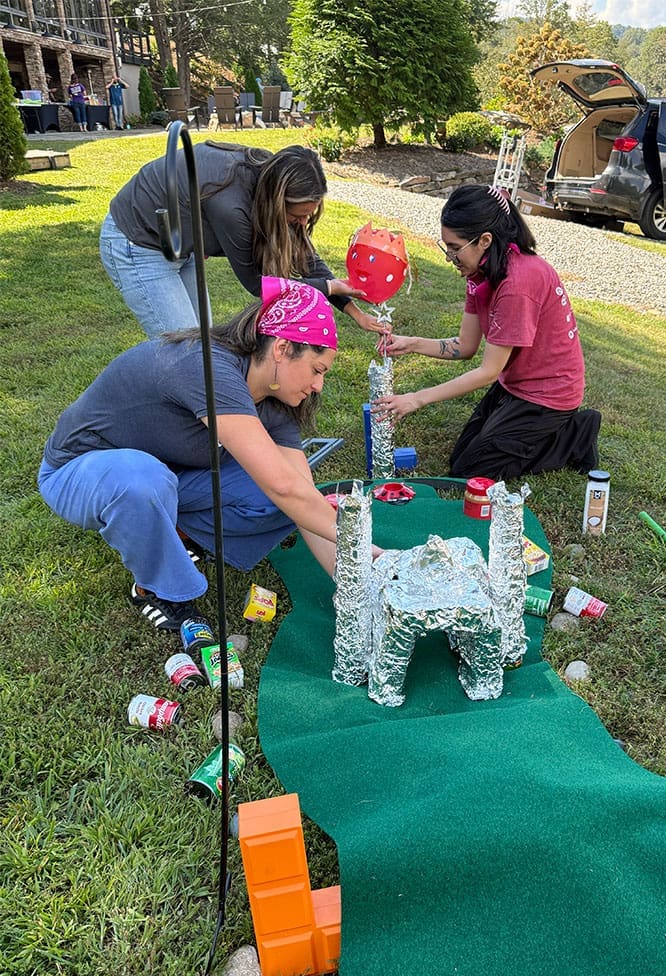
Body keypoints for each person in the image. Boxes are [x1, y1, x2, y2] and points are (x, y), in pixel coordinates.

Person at [39, 276, 381, 635]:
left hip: (170, 475)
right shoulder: (208, 368)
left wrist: (359, 583)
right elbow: (283, 486)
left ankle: (176, 534)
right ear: (281, 349)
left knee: (288, 497)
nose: (317, 386)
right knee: (142, 481)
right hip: (77, 472)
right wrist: (369, 549)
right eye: (316, 370)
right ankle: (155, 588)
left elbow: (300, 492)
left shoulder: (275, 400)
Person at [372, 184, 601, 481]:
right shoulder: (479, 273)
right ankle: (543, 433)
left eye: (455, 248)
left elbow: (488, 371)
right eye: (447, 247)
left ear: (484, 240)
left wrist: (416, 398)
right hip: (516, 386)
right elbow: (465, 346)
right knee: (463, 457)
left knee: (472, 471)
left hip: (548, 396)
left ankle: (575, 435)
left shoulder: (518, 283)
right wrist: (411, 343)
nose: (449, 258)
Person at [99, 142, 387, 340]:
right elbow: (258, 284)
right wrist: (328, 287)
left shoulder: (269, 176)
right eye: (297, 216)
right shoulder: (232, 206)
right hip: (138, 240)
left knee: (203, 345)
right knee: (184, 351)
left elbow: (306, 259)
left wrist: (355, 313)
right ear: (278, 202)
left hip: (180, 245)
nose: (301, 224)